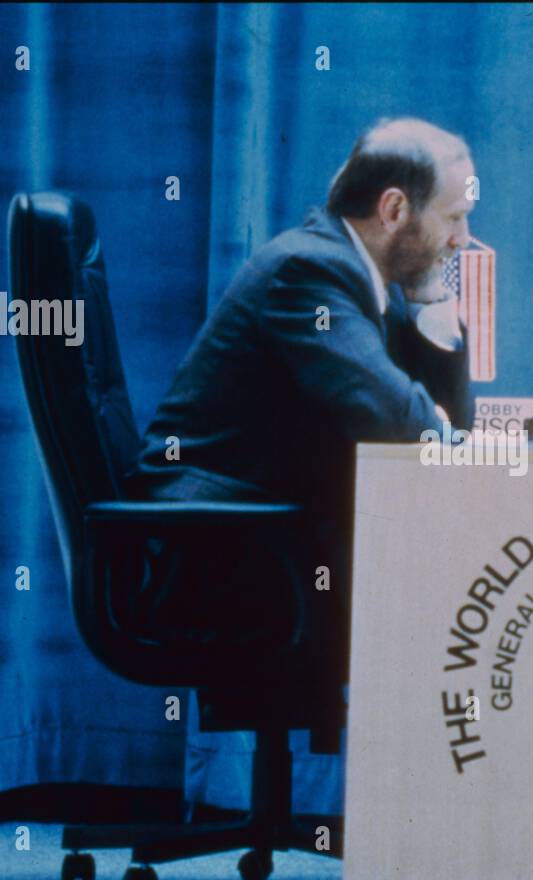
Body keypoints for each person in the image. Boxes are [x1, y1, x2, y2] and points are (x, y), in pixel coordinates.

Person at [130, 117, 478, 678]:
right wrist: (431, 425)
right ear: (394, 211)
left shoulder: (354, 277)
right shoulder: (309, 273)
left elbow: (440, 429)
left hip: (269, 543)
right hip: (222, 563)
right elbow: (406, 431)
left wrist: (433, 299)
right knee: (450, 624)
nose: (463, 240)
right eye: (456, 218)